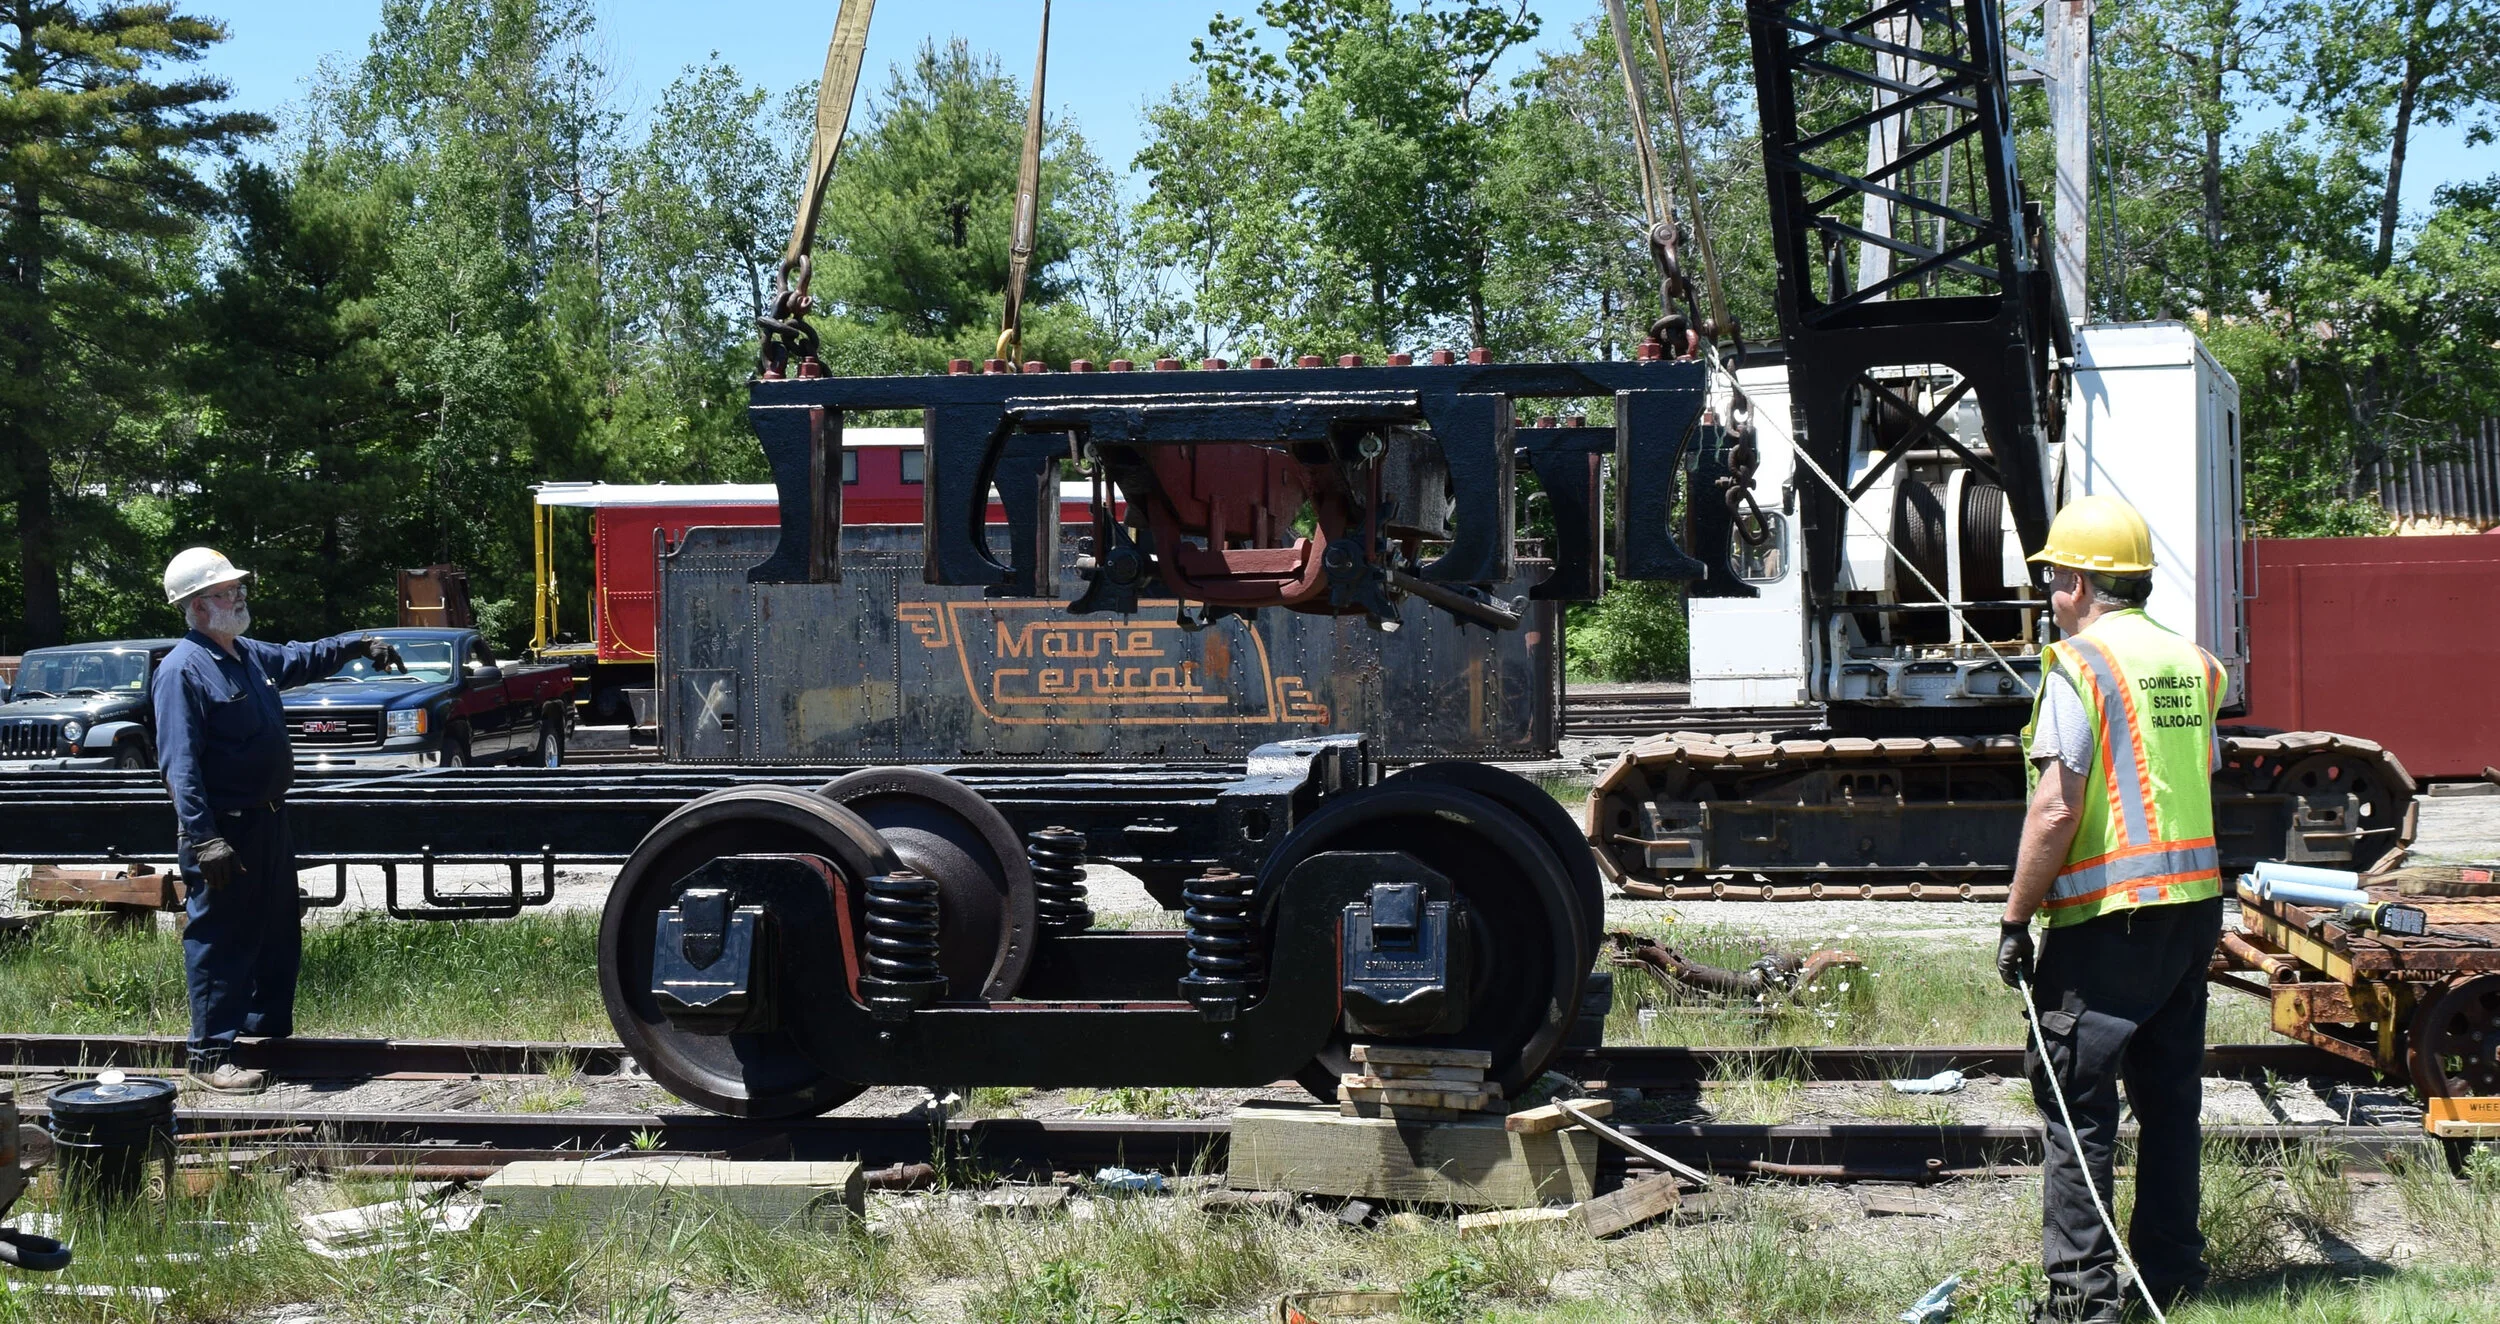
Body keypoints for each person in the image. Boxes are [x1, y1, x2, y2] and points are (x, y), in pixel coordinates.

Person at [1994, 495, 2227, 1322]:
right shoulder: (2193, 664)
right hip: (2192, 909)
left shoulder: (2080, 666)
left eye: (2056, 579)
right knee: (2170, 1100)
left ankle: (2082, 1302)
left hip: (2107, 920)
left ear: (2081, 582)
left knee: (2073, 1105)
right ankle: (2171, 1274)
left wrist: (2017, 918)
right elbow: (2194, 775)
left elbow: (2057, 808)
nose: (2051, 595)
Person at [154, 548, 401, 1094]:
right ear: (196, 607)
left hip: (266, 822)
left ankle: (261, 1035)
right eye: (225, 592)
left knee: (274, 930)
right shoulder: (182, 670)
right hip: (224, 831)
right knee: (221, 937)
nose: (238, 597)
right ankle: (210, 1056)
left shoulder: (243, 654)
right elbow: (180, 765)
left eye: (238, 588)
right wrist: (205, 837)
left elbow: (301, 657)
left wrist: (358, 643)